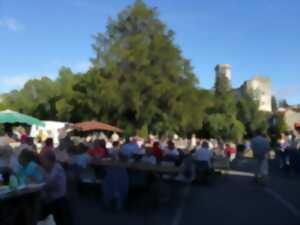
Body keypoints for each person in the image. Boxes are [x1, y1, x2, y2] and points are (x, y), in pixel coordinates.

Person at [40, 151, 70, 225]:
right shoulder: (46, 169)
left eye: (43, 160)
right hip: (50, 198)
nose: (41, 162)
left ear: (50, 160)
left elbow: (49, 184)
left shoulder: (57, 168)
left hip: (58, 199)